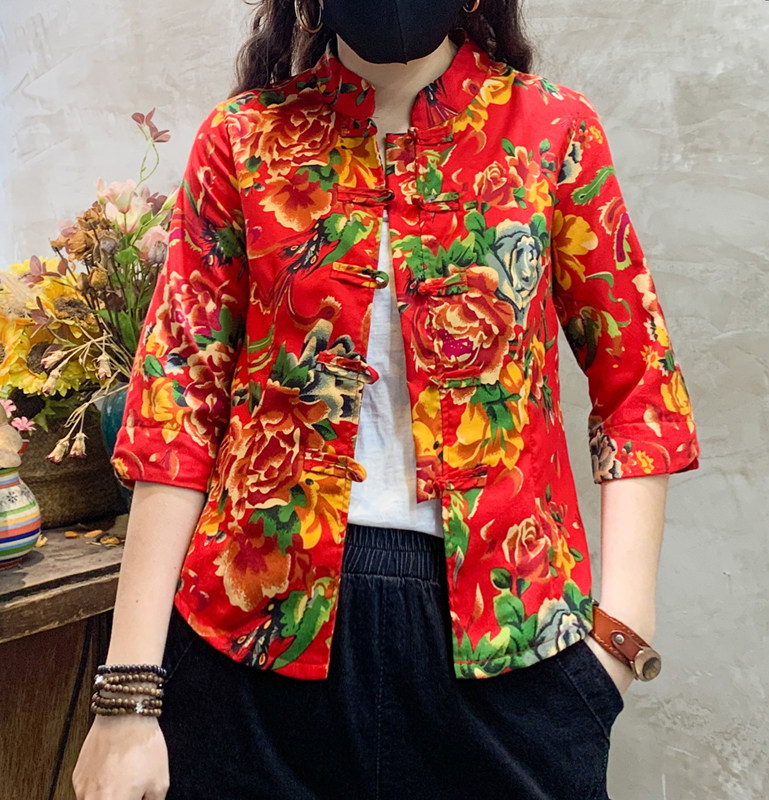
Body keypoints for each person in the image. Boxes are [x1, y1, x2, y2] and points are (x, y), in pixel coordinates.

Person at [72, 0, 700, 798]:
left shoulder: (553, 131)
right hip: (253, 655)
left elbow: (638, 383)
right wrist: (127, 697)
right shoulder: (241, 139)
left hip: (510, 644)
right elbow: (177, 411)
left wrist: (621, 638)